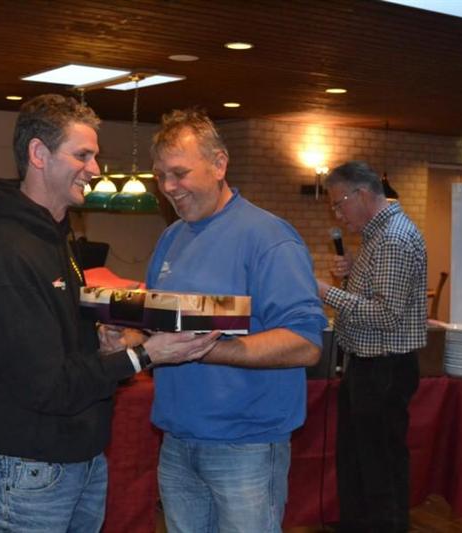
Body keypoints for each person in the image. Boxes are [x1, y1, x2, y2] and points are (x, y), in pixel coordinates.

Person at [0, 94, 219, 533]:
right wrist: (143, 355)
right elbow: (46, 385)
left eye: (94, 156)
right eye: (82, 155)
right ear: (39, 154)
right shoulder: (5, 252)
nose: (94, 169)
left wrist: (100, 341)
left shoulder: (57, 239)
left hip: (78, 460)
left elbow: (56, 343)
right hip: (29, 471)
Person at [145, 108, 328, 532]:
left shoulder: (269, 238)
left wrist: (206, 351)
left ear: (219, 164)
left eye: (180, 173)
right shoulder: (170, 238)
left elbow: (305, 342)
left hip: (246, 446)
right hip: (177, 441)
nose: (169, 187)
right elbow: (159, 324)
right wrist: (127, 338)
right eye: (161, 176)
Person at [316, 161, 427, 532]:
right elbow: (374, 301)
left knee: (379, 464)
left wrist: (326, 292)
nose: (338, 214)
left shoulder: (393, 238)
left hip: (384, 368)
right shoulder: (376, 236)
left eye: (339, 204)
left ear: (361, 194)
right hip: (369, 364)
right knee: (358, 459)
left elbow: (386, 315)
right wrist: (350, 276)